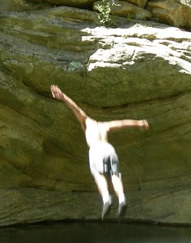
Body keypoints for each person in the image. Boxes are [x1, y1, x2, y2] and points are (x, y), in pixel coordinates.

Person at [50, 85, 149, 220]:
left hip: (96, 149)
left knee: (99, 174)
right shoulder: (105, 125)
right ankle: (122, 199)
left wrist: (63, 96)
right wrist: (138, 123)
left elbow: (75, 108)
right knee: (115, 175)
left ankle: (106, 199)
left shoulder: (86, 121)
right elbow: (123, 123)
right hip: (109, 149)